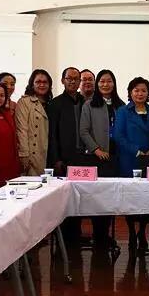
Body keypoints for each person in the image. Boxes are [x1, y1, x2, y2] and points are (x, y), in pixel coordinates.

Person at [80, 69, 125, 249]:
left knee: (111, 197)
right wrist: (96, 149)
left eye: (109, 81)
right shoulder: (89, 105)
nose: (105, 84)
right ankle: (98, 235)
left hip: (116, 157)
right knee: (98, 199)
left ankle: (106, 234)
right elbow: (84, 131)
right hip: (97, 158)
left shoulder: (121, 106)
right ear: (97, 84)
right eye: (102, 81)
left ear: (114, 84)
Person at [113, 77, 149, 252]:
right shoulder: (123, 111)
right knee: (130, 199)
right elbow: (118, 135)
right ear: (130, 93)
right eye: (136, 90)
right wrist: (136, 150)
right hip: (129, 159)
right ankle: (131, 231)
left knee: (146, 198)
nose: (140, 93)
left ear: (148, 93)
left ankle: (142, 232)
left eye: (143, 90)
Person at [47, 67, 85, 245]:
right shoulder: (55, 104)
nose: (73, 81)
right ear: (62, 81)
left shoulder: (85, 102)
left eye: (76, 79)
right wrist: (56, 159)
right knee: (63, 200)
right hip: (63, 158)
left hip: (83, 158)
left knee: (79, 198)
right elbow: (52, 135)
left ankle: (76, 235)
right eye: (69, 78)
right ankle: (63, 239)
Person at [15, 69, 52, 176]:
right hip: (32, 154)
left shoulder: (51, 103)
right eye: (38, 82)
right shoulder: (25, 102)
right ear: (32, 84)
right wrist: (24, 154)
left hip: (48, 153)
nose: (42, 85)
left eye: (45, 82)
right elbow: (21, 130)